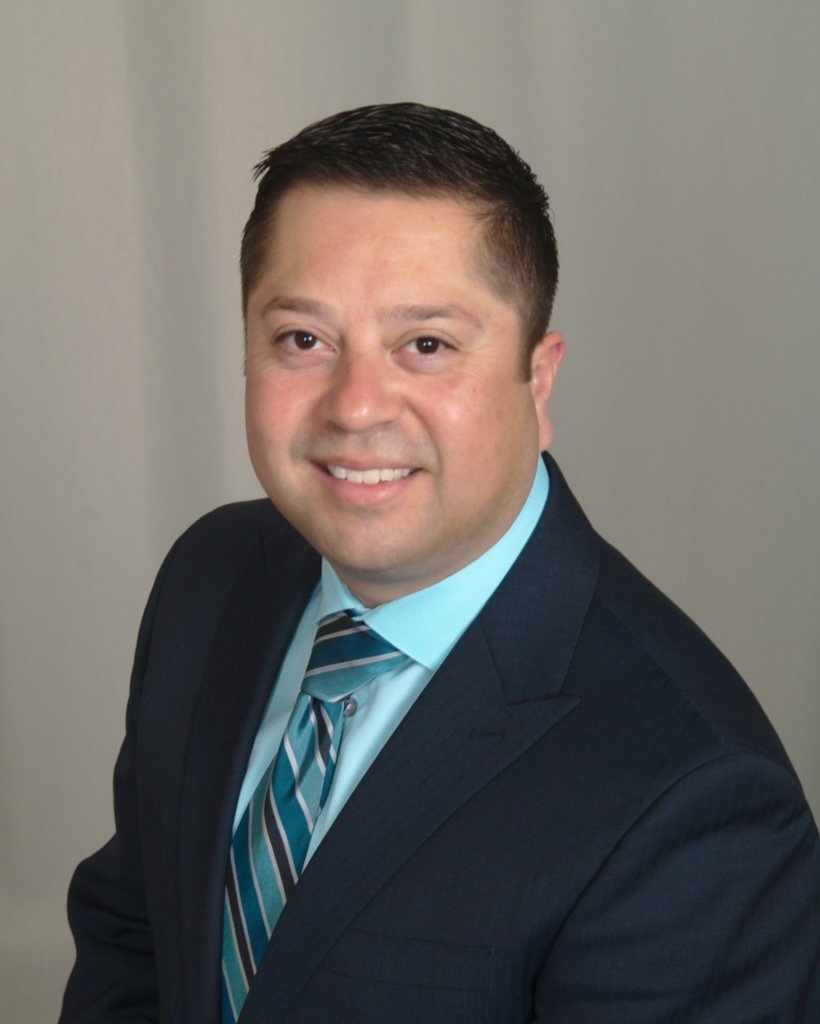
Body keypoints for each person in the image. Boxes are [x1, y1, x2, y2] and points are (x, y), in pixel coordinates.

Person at [60, 103, 819, 1023]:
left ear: (538, 382)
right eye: (304, 339)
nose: (357, 407)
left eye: (427, 345)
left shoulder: (696, 799)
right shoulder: (208, 578)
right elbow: (134, 939)